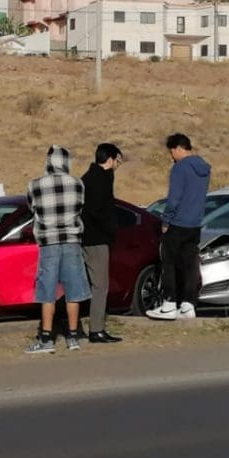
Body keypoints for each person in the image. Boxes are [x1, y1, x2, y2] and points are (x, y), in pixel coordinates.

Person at [25, 145, 92, 353]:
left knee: (47, 292)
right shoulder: (78, 184)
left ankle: (46, 338)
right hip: (72, 241)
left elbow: (31, 207)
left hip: (48, 242)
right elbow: (81, 207)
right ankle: (73, 337)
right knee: (73, 291)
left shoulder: (35, 185)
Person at [147, 133, 210, 320]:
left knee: (169, 263)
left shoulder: (180, 168)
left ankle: (169, 303)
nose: (171, 156)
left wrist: (166, 220)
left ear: (178, 148)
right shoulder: (204, 169)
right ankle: (188, 304)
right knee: (190, 265)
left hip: (178, 223)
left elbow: (174, 198)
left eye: (172, 151)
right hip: (195, 224)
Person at [81, 143, 124, 343]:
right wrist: (110, 229)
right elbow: (98, 212)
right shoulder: (102, 180)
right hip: (97, 239)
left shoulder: (88, 178)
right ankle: (96, 329)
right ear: (110, 159)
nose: (117, 165)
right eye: (118, 161)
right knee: (100, 286)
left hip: (87, 237)